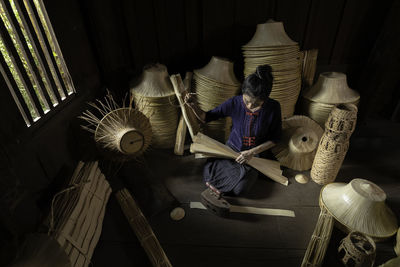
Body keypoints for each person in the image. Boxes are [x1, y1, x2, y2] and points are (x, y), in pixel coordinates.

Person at [187, 64, 282, 202]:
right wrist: (193, 104)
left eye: (256, 104)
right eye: (247, 101)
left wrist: (252, 152)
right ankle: (221, 183)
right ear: (243, 93)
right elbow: (205, 117)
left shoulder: (273, 107)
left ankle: (225, 184)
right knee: (208, 172)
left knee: (240, 189)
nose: (249, 106)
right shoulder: (235, 102)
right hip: (231, 149)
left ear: (265, 99)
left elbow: (276, 138)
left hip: (255, 156)